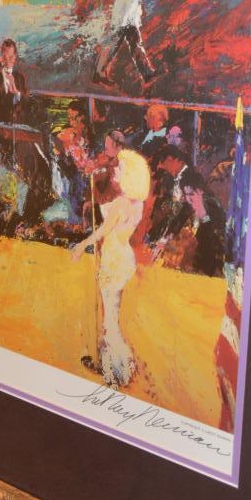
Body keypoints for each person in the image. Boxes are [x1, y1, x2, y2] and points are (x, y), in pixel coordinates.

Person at [70, 148, 151, 388]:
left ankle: (112, 373)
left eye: (120, 169)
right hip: (124, 259)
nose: (115, 171)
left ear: (130, 175)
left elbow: (102, 231)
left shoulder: (120, 204)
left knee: (110, 321)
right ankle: (120, 368)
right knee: (112, 315)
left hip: (113, 260)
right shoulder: (137, 203)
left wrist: (81, 245)